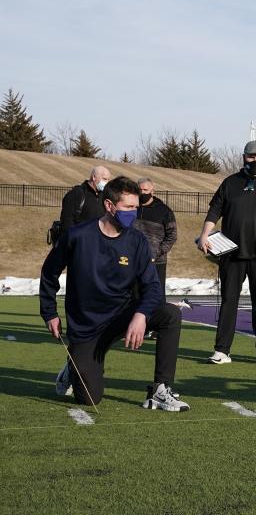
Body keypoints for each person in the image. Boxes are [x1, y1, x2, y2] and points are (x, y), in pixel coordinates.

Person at [39, 176, 189, 411]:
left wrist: (140, 315)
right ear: (109, 206)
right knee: (89, 398)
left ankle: (161, 389)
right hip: (87, 326)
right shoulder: (77, 236)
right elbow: (49, 273)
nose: (133, 213)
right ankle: (73, 365)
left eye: (136, 208)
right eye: (128, 207)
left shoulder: (137, 240)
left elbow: (152, 286)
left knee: (170, 315)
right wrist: (49, 313)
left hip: (122, 316)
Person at [198, 140, 256, 365]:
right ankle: (222, 350)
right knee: (229, 301)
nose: (255, 161)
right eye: (251, 156)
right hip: (231, 254)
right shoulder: (230, 183)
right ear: (243, 157)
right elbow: (215, 210)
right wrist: (204, 234)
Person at [133, 177, 178, 296]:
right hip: (133, 261)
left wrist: (156, 253)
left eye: (145, 190)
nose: (142, 192)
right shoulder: (131, 208)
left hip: (156, 262)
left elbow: (172, 235)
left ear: (152, 191)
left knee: (155, 296)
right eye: (140, 190)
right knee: (134, 297)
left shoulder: (164, 211)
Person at [59, 165, 111, 231]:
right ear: (94, 177)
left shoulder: (104, 195)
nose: (106, 182)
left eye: (108, 180)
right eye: (104, 179)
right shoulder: (76, 193)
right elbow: (67, 221)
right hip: (79, 238)